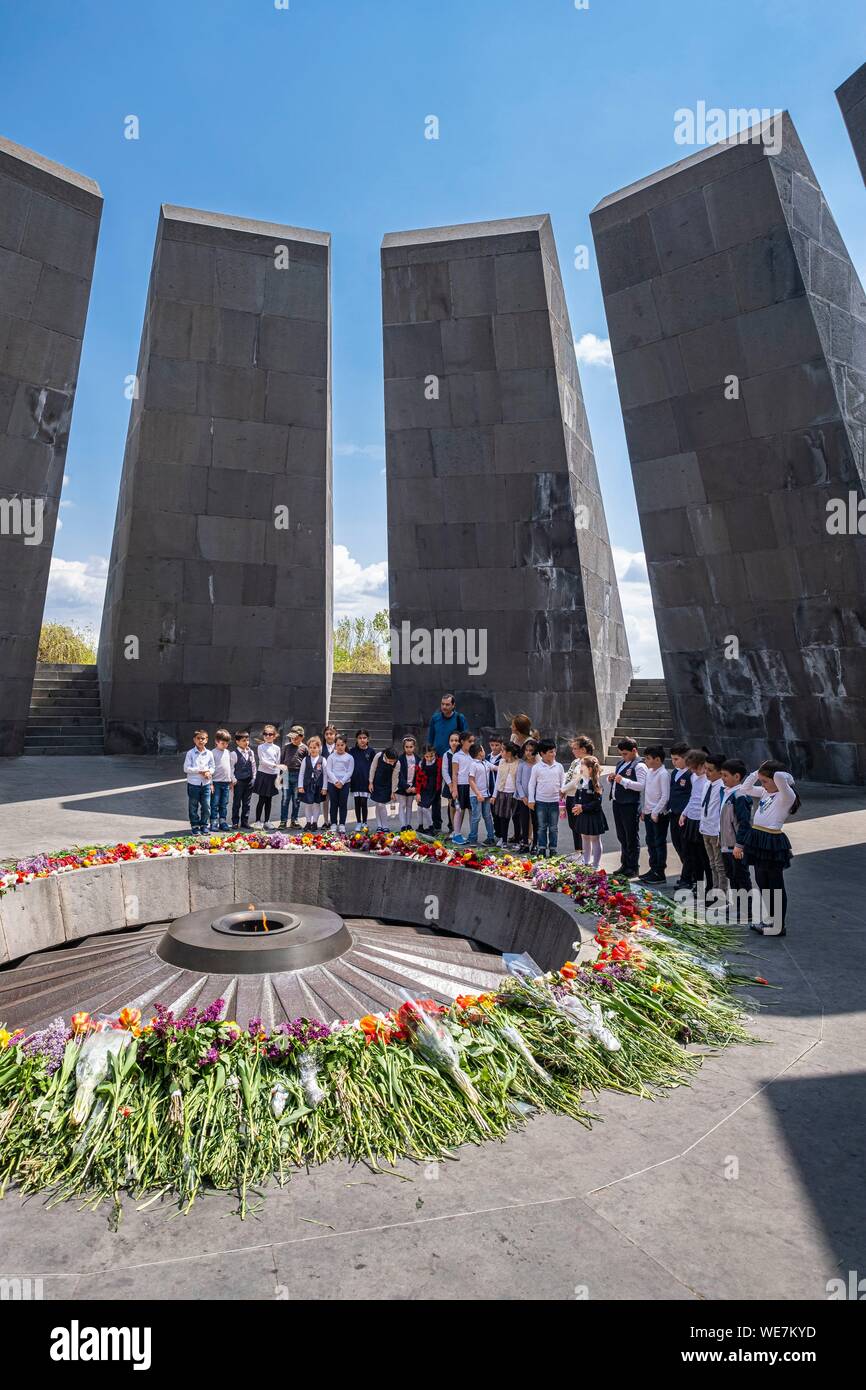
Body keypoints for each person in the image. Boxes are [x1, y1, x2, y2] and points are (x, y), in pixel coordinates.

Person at [740, 762, 800, 937]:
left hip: (772, 839)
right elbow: (745, 788)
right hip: (758, 838)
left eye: (765, 781)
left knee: (775, 884)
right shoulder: (766, 791)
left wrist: (788, 779)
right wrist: (757, 773)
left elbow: (781, 777)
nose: (762, 784)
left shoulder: (786, 795)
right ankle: (771, 919)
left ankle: (778, 925)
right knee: (762, 881)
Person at [426, 694, 468, 832]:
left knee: (452, 794)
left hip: (454, 760)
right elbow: (430, 739)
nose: (444, 707)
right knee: (435, 793)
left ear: (453, 705)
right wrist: (428, 757)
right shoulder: (435, 718)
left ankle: (452, 827)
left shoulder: (459, 718)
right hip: (437, 759)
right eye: (442, 704)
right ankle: (436, 825)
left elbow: (466, 738)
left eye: (447, 704)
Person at [719, 759, 753, 919]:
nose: (723, 778)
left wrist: (740, 845)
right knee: (732, 876)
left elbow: (744, 823)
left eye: (725, 775)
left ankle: (747, 909)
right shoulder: (728, 793)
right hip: (727, 844)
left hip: (736, 846)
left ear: (737, 776)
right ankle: (737, 905)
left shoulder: (740, 796)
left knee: (741, 877)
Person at [607, 739, 645, 879]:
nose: (623, 756)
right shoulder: (621, 763)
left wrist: (623, 781)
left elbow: (641, 785)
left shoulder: (639, 765)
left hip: (630, 804)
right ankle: (625, 863)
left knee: (631, 836)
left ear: (634, 750)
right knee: (622, 835)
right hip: (618, 802)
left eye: (625, 753)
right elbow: (617, 781)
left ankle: (633, 866)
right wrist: (612, 779)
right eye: (621, 754)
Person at [563, 755, 607, 868]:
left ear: (590, 769)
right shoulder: (582, 781)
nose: (580, 767)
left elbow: (597, 803)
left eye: (582, 765)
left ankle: (596, 864)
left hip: (593, 816)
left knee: (595, 839)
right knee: (584, 838)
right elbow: (577, 796)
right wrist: (576, 806)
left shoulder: (596, 783)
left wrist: (583, 807)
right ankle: (586, 862)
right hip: (583, 815)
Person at [677, 749, 712, 892]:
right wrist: (684, 813)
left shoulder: (708, 781)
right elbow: (693, 797)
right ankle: (698, 885)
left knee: (705, 858)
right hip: (691, 819)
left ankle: (710, 887)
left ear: (703, 765)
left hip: (702, 821)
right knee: (693, 856)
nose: (693, 771)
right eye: (691, 768)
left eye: (695, 768)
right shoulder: (693, 777)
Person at [638, 744, 670, 884]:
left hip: (659, 814)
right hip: (649, 812)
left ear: (657, 759)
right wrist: (645, 810)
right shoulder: (650, 771)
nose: (646, 760)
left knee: (659, 842)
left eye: (648, 758)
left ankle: (660, 871)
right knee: (650, 841)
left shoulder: (663, 774)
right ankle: (653, 868)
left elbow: (665, 796)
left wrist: (656, 812)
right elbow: (647, 793)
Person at [528, 739, 564, 858]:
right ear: (542, 754)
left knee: (553, 827)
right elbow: (532, 784)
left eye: (554, 751)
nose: (553, 754)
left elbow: (563, 783)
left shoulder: (559, 767)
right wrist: (531, 800)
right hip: (541, 802)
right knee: (541, 827)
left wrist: (563, 798)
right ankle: (541, 848)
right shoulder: (537, 767)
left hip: (555, 802)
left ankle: (553, 848)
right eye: (550, 752)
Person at [563, 736, 596, 860]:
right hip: (570, 795)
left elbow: (578, 780)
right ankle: (578, 851)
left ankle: (585, 854)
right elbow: (569, 776)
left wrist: (563, 789)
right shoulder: (575, 761)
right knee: (573, 825)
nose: (573, 751)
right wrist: (564, 789)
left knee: (581, 826)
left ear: (583, 749)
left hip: (580, 797)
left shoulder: (589, 761)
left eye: (575, 748)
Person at [699, 752, 727, 894]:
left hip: (716, 831)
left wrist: (720, 832)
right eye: (705, 768)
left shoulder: (722, 787)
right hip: (705, 829)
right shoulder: (707, 784)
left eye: (710, 770)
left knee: (719, 865)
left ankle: (721, 893)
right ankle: (715, 890)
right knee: (712, 864)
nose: (706, 772)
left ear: (720, 771)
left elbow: (721, 811)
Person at [668, 743, 692, 886]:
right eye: (672, 759)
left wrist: (685, 812)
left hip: (685, 816)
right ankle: (687, 873)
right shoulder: (675, 773)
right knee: (677, 844)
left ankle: (688, 878)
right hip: (674, 814)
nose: (674, 762)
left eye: (677, 759)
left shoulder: (691, 774)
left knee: (686, 847)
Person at [184, 730, 214, 835]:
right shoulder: (190, 753)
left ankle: (204, 825)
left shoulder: (209, 753)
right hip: (194, 784)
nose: (201, 740)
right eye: (198, 738)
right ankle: (195, 825)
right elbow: (186, 768)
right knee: (193, 806)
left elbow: (212, 767)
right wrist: (200, 771)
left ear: (207, 740)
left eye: (203, 738)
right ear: (194, 740)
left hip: (206, 784)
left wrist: (209, 772)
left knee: (206, 806)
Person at [467, 742, 496, 846]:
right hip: (476, 796)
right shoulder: (473, 765)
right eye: (483, 750)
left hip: (486, 795)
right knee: (476, 817)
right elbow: (471, 780)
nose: (484, 751)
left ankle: (491, 837)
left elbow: (496, 768)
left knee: (487, 816)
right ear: (480, 753)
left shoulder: (486, 763)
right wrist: (478, 794)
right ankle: (473, 838)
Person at [252, 724, 281, 830]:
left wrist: (278, 776)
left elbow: (278, 763)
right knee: (262, 799)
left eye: (270, 734)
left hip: (272, 776)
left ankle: (267, 821)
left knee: (269, 799)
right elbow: (263, 761)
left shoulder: (277, 748)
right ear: (263, 735)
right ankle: (257, 821)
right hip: (263, 775)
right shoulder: (261, 747)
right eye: (266, 734)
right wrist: (274, 765)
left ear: (275, 735)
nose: (268, 736)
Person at [449, 729, 475, 844]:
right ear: (463, 741)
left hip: (471, 785)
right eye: (470, 741)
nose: (472, 743)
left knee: (471, 810)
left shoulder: (472, 755)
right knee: (459, 810)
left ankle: (472, 834)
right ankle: (456, 834)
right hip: (460, 786)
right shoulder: (456, 756)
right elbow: (454, 773)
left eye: (473, 741)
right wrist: (454, 789)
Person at [325, 734, 354, 835]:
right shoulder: (331, 757)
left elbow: (350, 771)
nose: (340, 747)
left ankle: (342, 824)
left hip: (345, 784)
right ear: (335, 745)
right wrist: (335, 781)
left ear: (345, 745)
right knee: (333, 803)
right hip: (332, 783)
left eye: (342, 745)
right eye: (337, 745)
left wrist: (342, 782)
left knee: (343, 804)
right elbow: (328, 770)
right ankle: (333, 823)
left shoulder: (349, 757)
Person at [279, 725, 306, 828]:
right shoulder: (286, 747)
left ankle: (294, 820)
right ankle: (283, 820)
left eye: (296, 737)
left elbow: (306, 764)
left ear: (302, 737)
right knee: (285, 799)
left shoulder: (304, 748)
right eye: (292, 737)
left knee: (296, 799)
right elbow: (282, 762)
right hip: (286, 775)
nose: (294, 739)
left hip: (298, 775)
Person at [493, 742, 519, 847]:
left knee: (516, 818)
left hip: (515, 794)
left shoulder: (518, 763)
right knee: (503, 818)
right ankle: (503, 840)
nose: (501, 752)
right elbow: (498, 779)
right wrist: (494, 795)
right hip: (502, 793)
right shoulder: (501, 762)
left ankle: (518, 840)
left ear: (509, 753)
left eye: (503, 751)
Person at [513, 739, 538, 850]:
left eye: (531, 750)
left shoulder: (538, 765)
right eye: (526, 750)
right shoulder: (522, 765)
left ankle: (535, 843)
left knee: (535, 821)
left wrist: (533, 797)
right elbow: (518, 781)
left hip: (535, 798)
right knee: (524, 820)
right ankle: (525, 843)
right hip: (523, 798)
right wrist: (523, 796)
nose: (528, 753)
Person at [298, 735, 327, 829]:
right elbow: (301, 773)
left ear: (319, 748)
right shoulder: (305, 760)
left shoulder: (323, 760)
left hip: (318, 785)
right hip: (307, 785)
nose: (312, 749)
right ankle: (308, 822)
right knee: (308, 804)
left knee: (316, 804)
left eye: (315, 747)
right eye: (310, 748)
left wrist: (324, 787)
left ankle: (315, 822)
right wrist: (300, 786)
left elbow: (326, 774)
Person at [230, 730, 256, 830]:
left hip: (249, 781)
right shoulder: (234, 754)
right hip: (239, 781)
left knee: (247, 803)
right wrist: (233, 779)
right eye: (244, 740)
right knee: (237, 802)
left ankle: (245, 822)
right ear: (237, 742)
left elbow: (253, 765)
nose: (247, 742)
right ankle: (235, 822)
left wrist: (254, 778)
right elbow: (231, 768)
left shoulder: (250, 752)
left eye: (247, 740)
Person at [350, 729, 375, 828]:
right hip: (356, 780)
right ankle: (358, 822)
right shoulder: (352, 751)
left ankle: (365, 822)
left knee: (364, 802)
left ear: (368, 739)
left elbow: (374, 767)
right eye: (360, 738)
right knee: (357, 802)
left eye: (364, 738)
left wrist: (371, 781)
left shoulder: (371, 752)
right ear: (357, 739)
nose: (362, 740)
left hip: (366, 781)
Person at [369, 746, 398, 829]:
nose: (392, 763)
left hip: (387, 785)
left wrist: (393, 791)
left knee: (381, 804)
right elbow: (373, 768)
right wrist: (370, 782)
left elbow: (395, 778)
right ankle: (379, 825)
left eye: (394, 761)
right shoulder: (378, 756)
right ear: (385, 756)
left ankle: (385, 826)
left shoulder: (397, 763)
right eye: (390, 761)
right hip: (377, 783)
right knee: (378, 804)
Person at [210, 729, 233, 832]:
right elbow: (209, 768)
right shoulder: (212, 753)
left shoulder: (228, 752)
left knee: (224, 803)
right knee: (214, 803)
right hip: (216, 782)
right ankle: (214, 822)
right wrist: (210, 783)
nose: (225, 745)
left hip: (226, 783)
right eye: (222, 743)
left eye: (227, 743)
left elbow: (230, 767)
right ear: (216, 741)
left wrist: (231, 780)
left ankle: (222, 821)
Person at [396, 735, 419, 830]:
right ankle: (403, 825)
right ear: (404, 747)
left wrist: (414, 786)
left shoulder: (418, 759)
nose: (409, 749)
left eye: (411, 747)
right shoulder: (400, 759)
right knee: (402, 805)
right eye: (407, 747)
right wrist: (406, 786)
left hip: (412, 786)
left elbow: (419, 774)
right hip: (402, 786)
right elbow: (399, 774)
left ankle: (408, 824)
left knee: (409, 805)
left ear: (414, 747)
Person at [417, 745, 441, 833]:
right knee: (419, 807)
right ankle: (420, 826)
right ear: (423, 755)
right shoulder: (422, 763)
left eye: (431, 756)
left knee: (425, 808)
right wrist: (418, 792)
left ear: (434, 754)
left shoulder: (439, 762)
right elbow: (418, 778)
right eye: (427, 756)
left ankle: (431, 827)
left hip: (434, 788)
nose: (429, 758)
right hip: (424, 788)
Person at [441, 730, 460, 835]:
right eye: (452, 740)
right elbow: (444, 770)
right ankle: (452, 827)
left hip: (460, 784)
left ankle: (458, 827)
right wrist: (450, 784)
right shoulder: (446, 755)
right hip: (450, 785)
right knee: (451, 806)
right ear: (449, 742)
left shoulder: (462, 754)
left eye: (456, 740)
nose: (454, 743)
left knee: (459, 806)